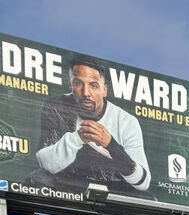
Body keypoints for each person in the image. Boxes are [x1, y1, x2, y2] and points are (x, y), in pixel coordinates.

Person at [34, 58, 150, 195]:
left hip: (114, 187)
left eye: (94, 85)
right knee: (38, 178)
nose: (86, 93)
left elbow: (143, 181)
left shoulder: (126, 121)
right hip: (71, 182)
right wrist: (78, 138)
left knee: (146, 198)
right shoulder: (56, 106)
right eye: (78, 83)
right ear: (70, 85)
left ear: (104, 90)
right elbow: (46, 163)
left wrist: (111, 145)